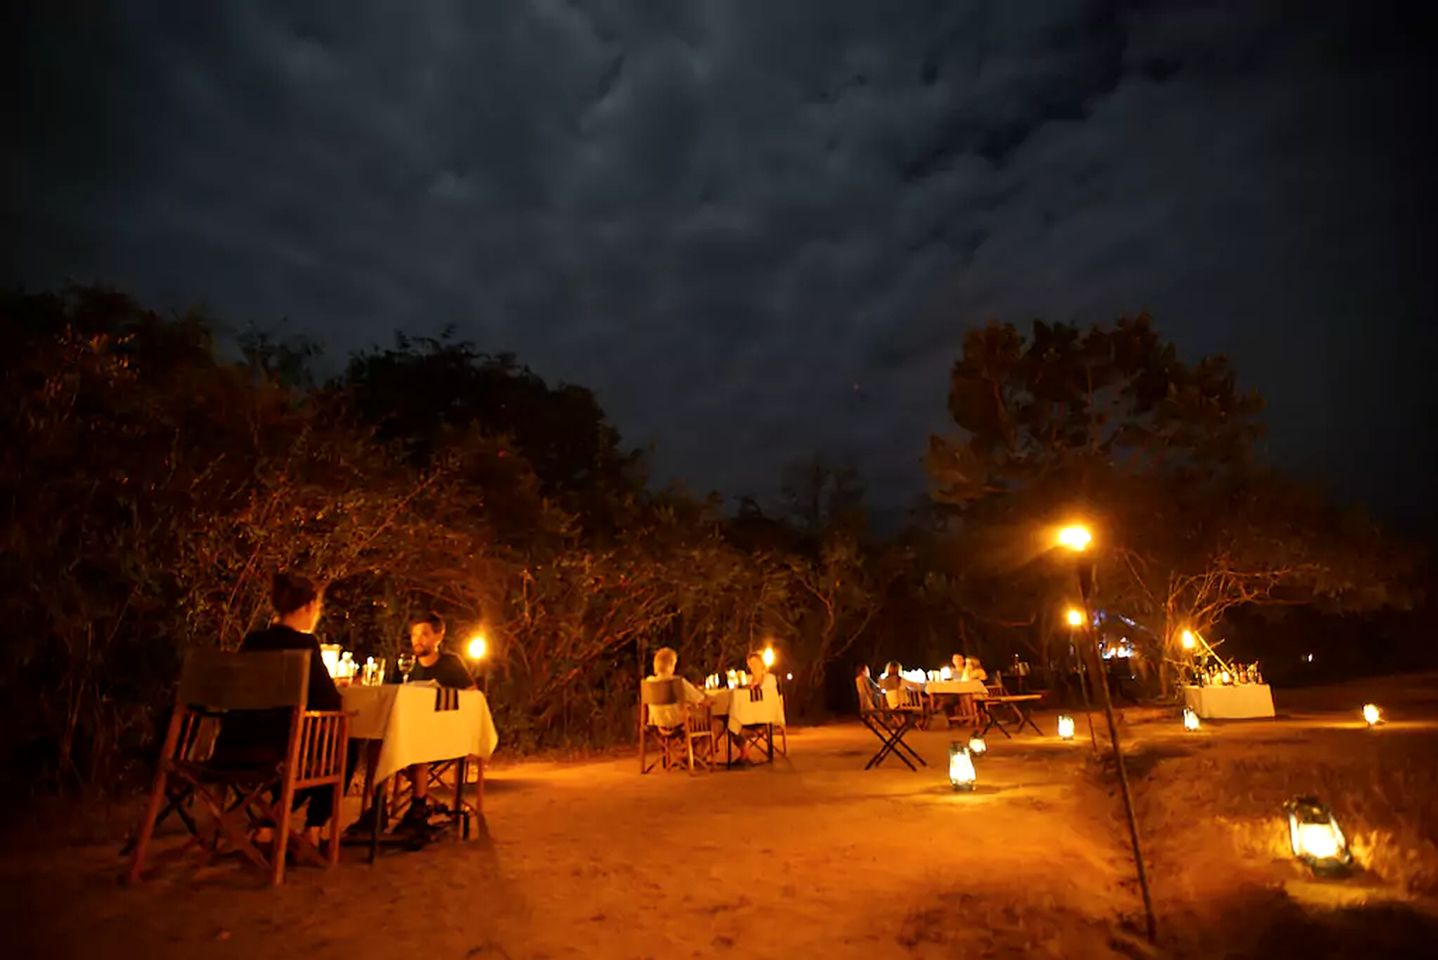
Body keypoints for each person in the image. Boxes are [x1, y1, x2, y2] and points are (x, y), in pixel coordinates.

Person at [212, 571, 343, 846]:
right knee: (342, 746)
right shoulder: (305, 645)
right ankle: (313, 829)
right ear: (309, 606)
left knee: (303, 748)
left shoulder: (252, 642)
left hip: (231, 748)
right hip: (275, 756)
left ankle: (269, 824)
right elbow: (331, 702)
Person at [400, 612, 475, 828]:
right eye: (414, 634)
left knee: (419, 746)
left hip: (443, 734)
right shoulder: (409, 667)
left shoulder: (450, 663)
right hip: (410, 730)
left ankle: (419, 806)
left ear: (438, 637)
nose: (417, 639)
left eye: (424, 634)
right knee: (377, 744)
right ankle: (375, 808)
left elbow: (472, 695)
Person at [644, 646, 706, 729]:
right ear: (671, 664)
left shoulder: (649, 681)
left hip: (656, 723)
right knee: (703, 716)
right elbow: (700, 699)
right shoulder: (677, 682)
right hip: (678, 723)